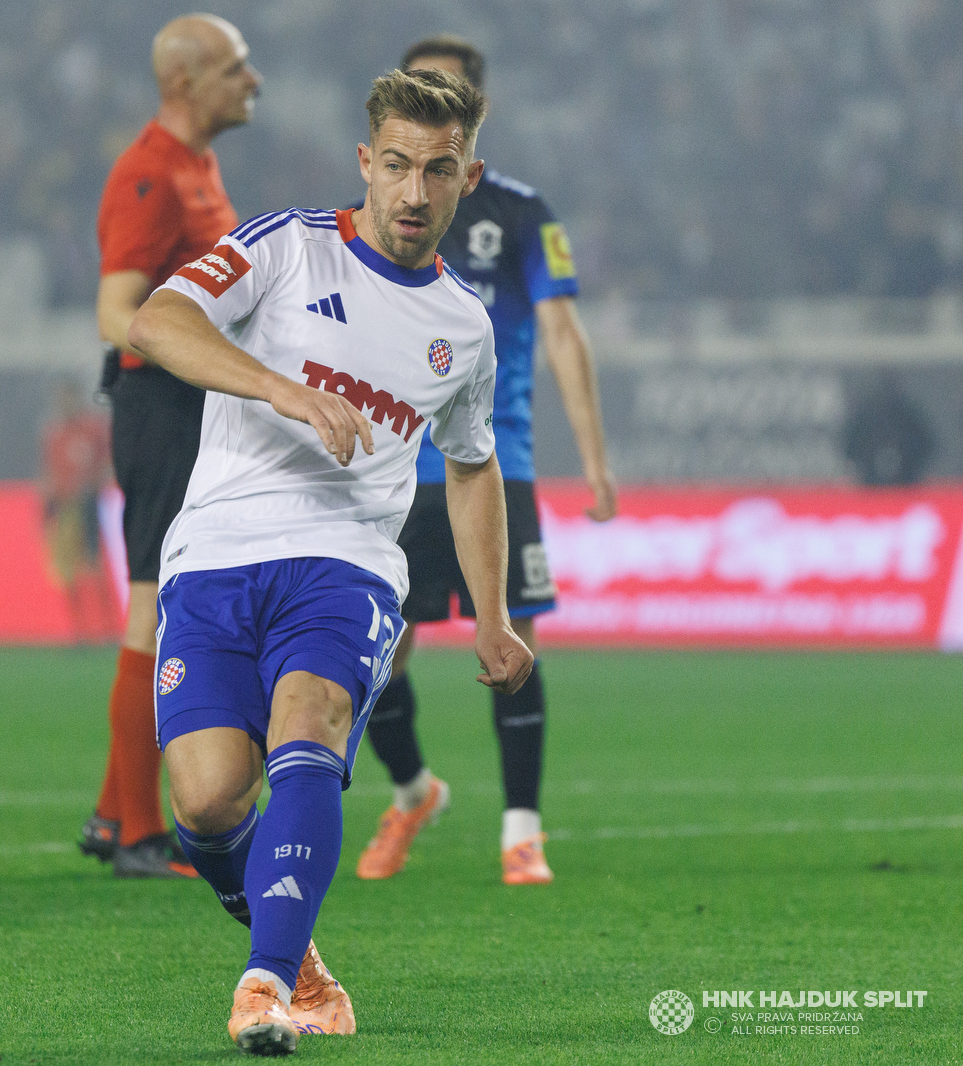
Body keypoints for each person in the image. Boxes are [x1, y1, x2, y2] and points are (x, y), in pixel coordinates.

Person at [129, 68, 532, 1053]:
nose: (412, 192)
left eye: (437, 171)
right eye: (395, 164)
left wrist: (491, 612)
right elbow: (157, 321)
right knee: (207, 800)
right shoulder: (286, 246)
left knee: (309, 724)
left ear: (464, 177)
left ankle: (261, 984)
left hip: (345, 564)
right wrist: (279, 388)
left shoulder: (463, 328)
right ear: (366, 161)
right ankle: (300, 964)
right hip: (215, 554)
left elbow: (472, 467)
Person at [353, 36, 618, 885]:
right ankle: (413, 790)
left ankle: (521, 829)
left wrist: (596, 459)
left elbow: (563, 331)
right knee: (379, 657)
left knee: (512, 644)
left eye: (449, 94)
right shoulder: (373, 213)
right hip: (393, 470)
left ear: (476, 115)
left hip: (498, 465)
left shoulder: (520, 212)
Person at [79, 13, 262, 878]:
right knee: (154, 601)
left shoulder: (197, 165)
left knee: (169, 596)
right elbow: (118, 310)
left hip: (192, 404)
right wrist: (192, 354)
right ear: (187, 82)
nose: (252, 82)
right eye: (236, 68)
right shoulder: (150, 173)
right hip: (161, 406)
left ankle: (117, 809)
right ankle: (143, 833)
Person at [40, 379, 119, 642]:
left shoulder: (90, 429)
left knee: (94, 566)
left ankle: (108, 628)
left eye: (69, 398)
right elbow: (49, 472)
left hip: (87, 502)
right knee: (67, 570)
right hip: (64, 506)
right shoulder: (55, 433)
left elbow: (107, 462)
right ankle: (79, 629)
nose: (65, 405)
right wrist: (47, 506)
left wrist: (95, 487)